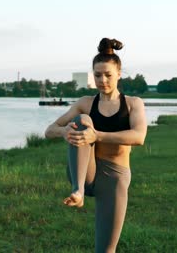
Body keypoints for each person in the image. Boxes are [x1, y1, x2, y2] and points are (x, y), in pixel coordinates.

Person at [45, 38, 147, 252]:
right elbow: (49, 130)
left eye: (108, 75)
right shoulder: (85, 103)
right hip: (85, 172)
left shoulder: (132, 104)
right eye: (98, 75)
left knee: (105, 249)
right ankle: (78, 192)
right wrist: (64, 131)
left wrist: (97, 136)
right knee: (82, 121)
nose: (103, 80)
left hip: (114, 177)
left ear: (119, 74)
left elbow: (138, 137)